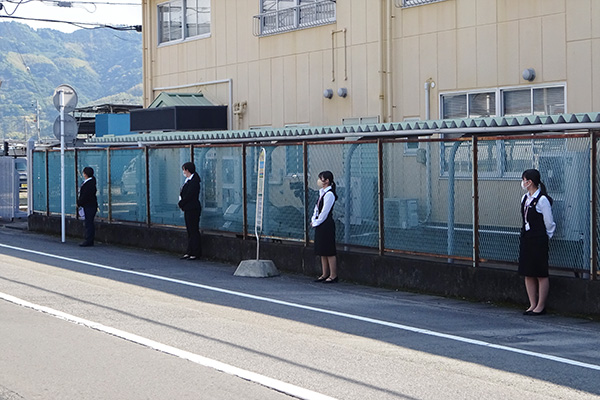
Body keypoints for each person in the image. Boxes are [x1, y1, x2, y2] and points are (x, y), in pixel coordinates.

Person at [519, 168, 556, 316]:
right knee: (528, 272)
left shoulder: (542, 200)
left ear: (530, 182)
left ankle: (541, 305)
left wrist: (545, 237)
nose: (523, 183)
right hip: (527, 238)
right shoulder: (524, 199)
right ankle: (532, 303)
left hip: (539, 239)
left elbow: (549, 222)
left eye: (524, 180)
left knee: (540, 273)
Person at [311, 171, 338, 283]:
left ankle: (333, 275)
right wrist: (313, 219)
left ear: (327, 180)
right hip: (320, 224)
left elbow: (324, 212)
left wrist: (317, 222)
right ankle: (324, 273)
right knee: (322, 250)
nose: (319, 181)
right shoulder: (322, 193)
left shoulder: (329, 194)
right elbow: (317, 209)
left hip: (326, 224)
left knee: (329, 250)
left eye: (321, 178)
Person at [178, 162, 202, 260]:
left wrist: (182, 202)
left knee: (193, 230)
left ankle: (195, 252)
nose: (183, 172)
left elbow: (190, 195)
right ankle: (190, 250)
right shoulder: (188, 181)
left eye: (184, 170)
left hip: (193, 208)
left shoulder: (194, 182)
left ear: (187, 170)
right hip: (188, 208)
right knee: (190, 230)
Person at [77, 166, 98, 247]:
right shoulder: (91, 182)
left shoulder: (88, 184)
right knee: (89, 222)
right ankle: (89, 239)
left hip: (89, 205)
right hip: (90, 205)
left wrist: (79, 203)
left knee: (89, 223)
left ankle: (89, 240)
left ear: (85, 174)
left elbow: (86, 196)